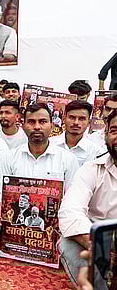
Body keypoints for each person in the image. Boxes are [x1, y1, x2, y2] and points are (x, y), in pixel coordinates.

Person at [0, 103, 80, 227]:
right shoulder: (10, 157)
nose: (37, 127)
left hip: (55, 229)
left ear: (52, 125)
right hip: (15, 228)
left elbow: (73, 199)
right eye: (31, 122)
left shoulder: (68, 160)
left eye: (42, 122)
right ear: (23, 125)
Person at [58, 109, 117, 289]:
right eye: (115, 130)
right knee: (67, 243)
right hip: (96, 240)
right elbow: (70, 212)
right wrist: (101, 246)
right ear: (105, 134)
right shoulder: (91, 169)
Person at [50, 100, 103, 166]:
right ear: (64, 119)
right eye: (72, 117)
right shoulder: (49, 144)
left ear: (89, 122)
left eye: (81, 119)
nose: (76, 122)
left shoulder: (96, 152)